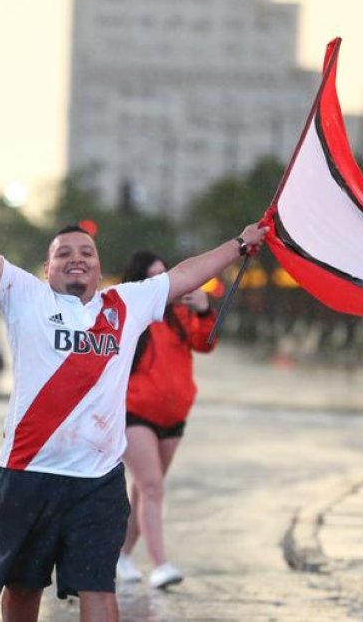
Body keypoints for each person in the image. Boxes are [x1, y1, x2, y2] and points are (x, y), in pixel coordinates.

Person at [0, 156, 266, 622]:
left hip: (97, 482)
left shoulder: (127, 304)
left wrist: (239, 244)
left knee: (99, 587)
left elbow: (187, 273)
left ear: (99, 268)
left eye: (87, 253)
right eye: (64, 253)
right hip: (26, 475)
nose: (77, 258)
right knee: (22, 589)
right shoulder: (24, 296)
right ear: (47, 266)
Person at [112, 250, 217, 589]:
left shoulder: (180, 315)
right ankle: (160, 565)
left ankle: (121, 555)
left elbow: (206, 344)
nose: (165, 283)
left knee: (145, 492)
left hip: (174, 416)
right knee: (152, 487)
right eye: (155, 277)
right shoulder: (129, 313)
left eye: (166, 275)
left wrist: (203, 309)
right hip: (134, 414)